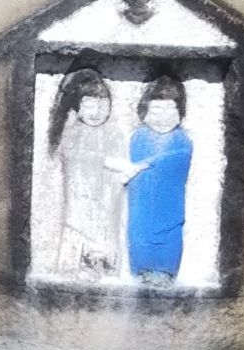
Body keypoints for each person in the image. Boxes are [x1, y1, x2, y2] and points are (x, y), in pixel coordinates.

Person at [47, 68, 126, 280]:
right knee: (77, 242)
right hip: (79, 203)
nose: (96, 111)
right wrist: (104, 161)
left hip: (105, 204)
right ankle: (75, 268)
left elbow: (120, 166)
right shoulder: (72, 133)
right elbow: (72, 156)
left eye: (102, 105)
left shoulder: (115, 134)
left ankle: (102, 266)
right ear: (78, 107)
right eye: (89, 105)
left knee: (104, 241)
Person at [120, 76, 193, 282]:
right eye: (156, 110)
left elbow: (178, 158)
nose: (163, 118)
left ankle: (167, 271)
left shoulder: (181, 139)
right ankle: (141, 270)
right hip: (142, 202)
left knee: (170, 235)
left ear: (180, 112)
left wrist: (148, 163)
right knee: (139, 234)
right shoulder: (138, 137)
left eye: (170, 110)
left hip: (169, 204)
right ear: (144, 112)